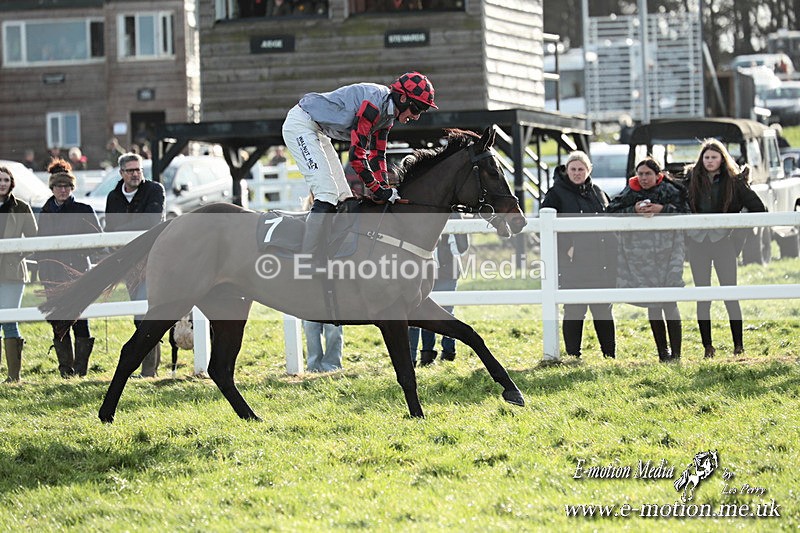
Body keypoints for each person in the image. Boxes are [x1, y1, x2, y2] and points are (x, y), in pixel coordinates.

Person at [281, 71, 437, 265]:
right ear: (403, 98)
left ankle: (332, 257)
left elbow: (377, 156)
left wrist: (385, 189)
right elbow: (356, 156)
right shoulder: (373, 106)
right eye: (416, 108)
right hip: (301, 125)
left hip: (319, 131)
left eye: (422, 111)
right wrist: (378, 190)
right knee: (327, 194)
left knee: (344, 198)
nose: (416, 116)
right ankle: (307, 262)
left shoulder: (387, 116)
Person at [684, 139, 767, 358]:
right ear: (701, 159)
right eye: (706, 157)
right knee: (703, 296)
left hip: (724, 242)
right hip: (698, 243)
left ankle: (738, 345)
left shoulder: (734, 181)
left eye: (714, 157)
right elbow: (679, 204)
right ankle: (707, 347)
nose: (710, 161)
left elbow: (759, 208)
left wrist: (736, 228)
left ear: (722, 159)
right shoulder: (690, 179)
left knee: (730, 293)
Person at [607, 158, 690, 362]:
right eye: (640, 174)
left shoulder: (671, 190)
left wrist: (662, 210)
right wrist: (633, 211)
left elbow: (686, 213)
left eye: (648, 174)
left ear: (657, 175)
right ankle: (663, 353)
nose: (644, 178)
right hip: (640, 257)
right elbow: (610, 211)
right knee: (653, 304)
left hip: (668, 252)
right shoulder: (630, 191)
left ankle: (677, 354)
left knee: (670, 302)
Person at [540, 150, 617, 359]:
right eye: (573, 169)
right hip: (573, 265)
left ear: (588, 170)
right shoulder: (556, 193)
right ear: (567, 170)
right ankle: (573, 355)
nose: (576, 173)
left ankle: (609, 355)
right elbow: (544, 228)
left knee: (603, 309)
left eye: (581, 169)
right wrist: (568, 247)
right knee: (574, 309)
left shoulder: (598, 192)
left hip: (601, 263)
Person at [36, 159, 102, 377]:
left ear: (72, 187)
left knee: (80, 321)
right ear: (52, 188)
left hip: (77, 273)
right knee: (58, 322)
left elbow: (97, 241)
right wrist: (43, 272)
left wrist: (78, 253)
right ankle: (65, 370)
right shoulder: (45, 212)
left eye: (66, 186)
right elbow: (40, 245)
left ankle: (81, 370)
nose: (62, 190)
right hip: (52, 275)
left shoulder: (84, 210)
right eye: (58, 186)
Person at [105, 152, 166, 377]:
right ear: (121, 173)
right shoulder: (114, 197)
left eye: (138, 169)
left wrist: (122, 231)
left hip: (153, 260)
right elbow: (109, 228)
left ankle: (149, 370)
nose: (135, 174)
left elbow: (152, 220)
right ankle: (148, 367)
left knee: (146, 313)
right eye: (130, 170)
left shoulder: (154, 190)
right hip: (128, 263)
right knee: (138, 315)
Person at [409, 227, 469, 366]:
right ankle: (428, 354)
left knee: (444, 311)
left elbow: (461, 247)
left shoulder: (453, 217)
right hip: (426, 270)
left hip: (445, 271)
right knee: (423, 311)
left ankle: (445, 353)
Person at [0, 165, 38, 383]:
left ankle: (13, 376)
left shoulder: (21, 207)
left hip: (13, 272)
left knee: (9, 320)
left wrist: (16, 256)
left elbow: (34, 239)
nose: (2, 183)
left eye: (6, 180)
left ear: (11, 183)